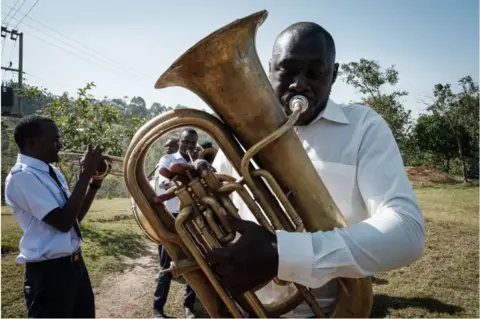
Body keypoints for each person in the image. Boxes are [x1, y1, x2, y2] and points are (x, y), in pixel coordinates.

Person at [163, 22, 425, 317]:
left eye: (315, 72)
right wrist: (195, 196)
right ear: (269, 69)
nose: (300, 83)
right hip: (244, 308)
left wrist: (283, 254)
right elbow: (223, 210)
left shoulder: (363, 128)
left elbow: (407, 231)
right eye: (287, 70)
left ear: (334, 74)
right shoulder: (234, 133)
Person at [4, 115, 105, 318]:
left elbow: (74, 217)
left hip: (75, 265)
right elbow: (63, 223)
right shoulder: (22, 177)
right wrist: (85, 174)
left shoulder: (51, 171)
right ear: (32, 143)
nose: (60, 145)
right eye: (54, 140)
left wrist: (95, 182)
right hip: (49, 275)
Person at [152, 129, 199, 319]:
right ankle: (157, 309)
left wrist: (196, 166)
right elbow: (163, 183)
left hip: (193, 218)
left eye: (192, 143)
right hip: (172, 218)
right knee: (167, 264)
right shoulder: (167, 159)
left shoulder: (197, 161)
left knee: (196, 262)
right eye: (185, 142)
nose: (188, 146)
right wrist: (183, 175)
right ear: (179, 141)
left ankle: (188, 305)